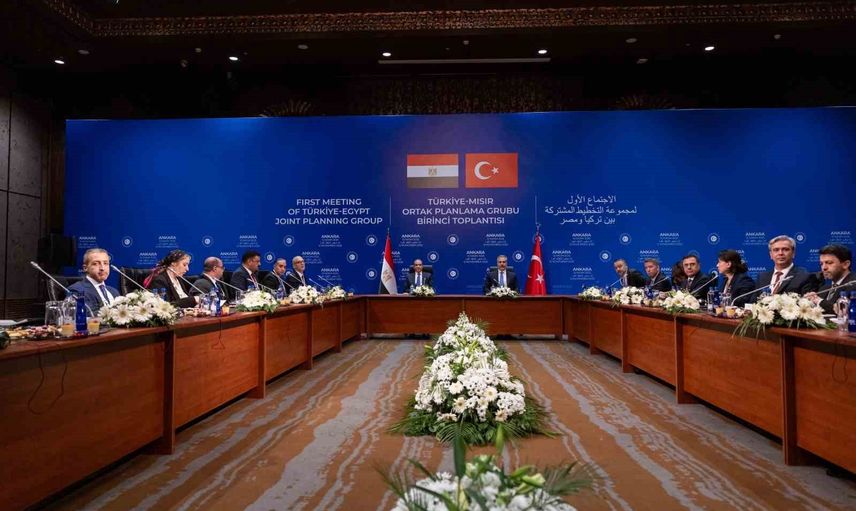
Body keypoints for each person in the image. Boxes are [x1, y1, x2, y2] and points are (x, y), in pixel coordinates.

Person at [67, 248, 120, 313]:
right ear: (85, 268)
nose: (102, 268)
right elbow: (87, 314)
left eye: (105, 263)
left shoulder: (114, 292)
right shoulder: (77, 290)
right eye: (96, 264)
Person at [805, 244, 855, 313]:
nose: (824, 268)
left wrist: (819, 301)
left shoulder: (853, 284)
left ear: (845, 264)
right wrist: (811, 302)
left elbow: (844, 310)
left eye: (829, 263)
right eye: (821, 264)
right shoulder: (824, 289)